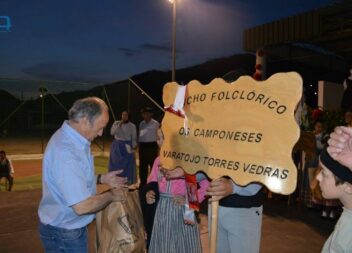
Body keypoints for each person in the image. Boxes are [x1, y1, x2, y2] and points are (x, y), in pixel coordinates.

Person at [38, 97, 127, 252]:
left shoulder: (75, 140)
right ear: (86, 121)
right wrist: (112, 195)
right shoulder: (67, 151)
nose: (100, 133)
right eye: (100, 127)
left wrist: (102, 178)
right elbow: (82, 206)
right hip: (64, 233)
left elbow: (75, 180)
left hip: (64, 230)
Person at [145, 157, 209, 253]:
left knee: (184, 242)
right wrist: (149, 192)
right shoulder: (159, 160)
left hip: (182, 210)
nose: (161, 142)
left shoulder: (189, 159)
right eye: (158, 140)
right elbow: (152, 181)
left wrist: (188, 199)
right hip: (162, 210)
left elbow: (206, 186)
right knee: (163, 242)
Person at [316, 144, 352, 252]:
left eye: (324, 173)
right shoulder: (347, 216)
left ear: (349, 187)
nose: (318, 177)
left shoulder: (347, 234)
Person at [109, 110, 137, 184]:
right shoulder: (116, 123)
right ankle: (114, 180)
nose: (124, 116)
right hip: (116, 147)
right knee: (115, 164)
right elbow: (112, 132)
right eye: (123, 115)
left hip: (126, 146)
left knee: (126, 166)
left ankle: (127, 181)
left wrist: (133, 147)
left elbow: (134, 138)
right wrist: (119, 125)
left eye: (126, 115)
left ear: (128, 116)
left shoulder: (132, 126)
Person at [138, 107, 160, 186]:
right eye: (144, 114)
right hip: (143, 147)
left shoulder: (156, 124)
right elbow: (140, 136)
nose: (145, 115)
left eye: (147, 113)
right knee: (142, 166)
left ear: (151, 114)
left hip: (152, 147)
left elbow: (159, 136)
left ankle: (152, 183)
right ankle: (143, 183)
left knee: (153, 166)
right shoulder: (141, 124)